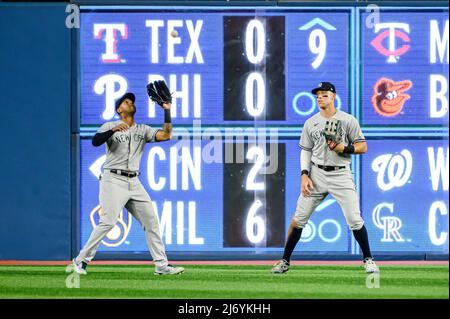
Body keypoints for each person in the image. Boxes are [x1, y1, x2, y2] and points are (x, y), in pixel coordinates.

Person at [72, 91, 184, 276]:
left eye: (131, 101)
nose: (130, 103)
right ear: (119, 109)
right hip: (112, 179)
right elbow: (95, 141)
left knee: (151, 221)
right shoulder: (110, 125)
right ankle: (80, 260)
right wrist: (112, 131)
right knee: (107, 222)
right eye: (126, 101)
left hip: (134, 181)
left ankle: (162, 266)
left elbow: (166, 135)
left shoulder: (143, 129)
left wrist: (167, 111)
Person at [272, 82, 379, 274]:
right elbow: (305, 151)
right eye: (318, 95)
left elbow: (363, 146)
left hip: (341, 174)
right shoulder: (310, 122)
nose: (320, 98)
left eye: (324, 94)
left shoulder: (348, 120)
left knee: (354, 219)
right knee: (298, 220)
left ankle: (368, 259)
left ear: (333, 97)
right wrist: (304, 175)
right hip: (316, 174)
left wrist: (344, 148)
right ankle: (284, 261)